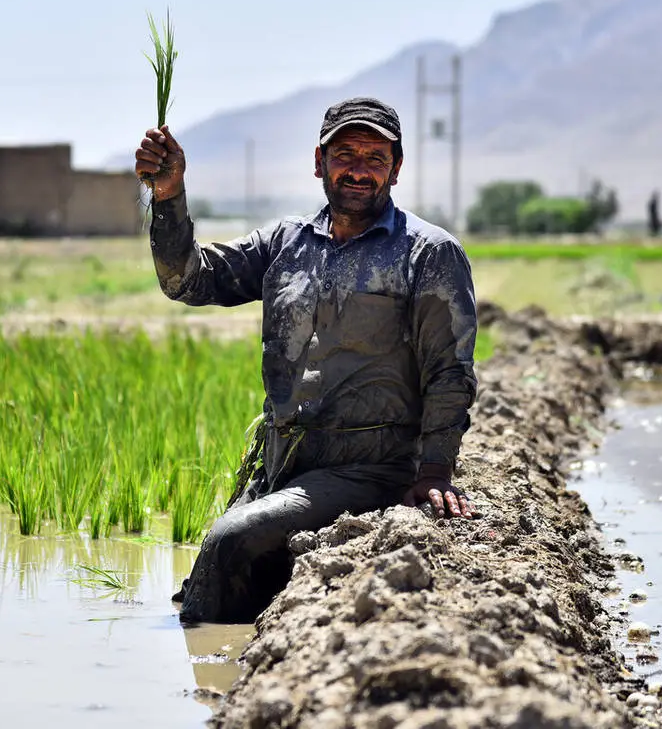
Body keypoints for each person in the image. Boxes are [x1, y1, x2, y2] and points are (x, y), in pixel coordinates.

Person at [134, 96, 478, 624]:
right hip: (284, 462)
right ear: (319, 162)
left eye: (375, 157)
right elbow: (188, 279)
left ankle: (220, 684)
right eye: (346, 154)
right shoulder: (285, 242)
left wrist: (434, 470)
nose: (359, 170)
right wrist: (169, 193)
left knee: (231, 541)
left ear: (397, 167)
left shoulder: (427, 253)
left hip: (368, 466)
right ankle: (221, 678)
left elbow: (448, 372)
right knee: (207, 584)